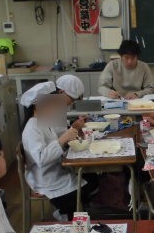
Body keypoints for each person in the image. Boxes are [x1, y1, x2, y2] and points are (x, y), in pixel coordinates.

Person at [21, 82, 98, 220]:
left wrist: (69, 138)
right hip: (46, 180)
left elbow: (56, 146)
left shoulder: (44, 121)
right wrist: (62, 140)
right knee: (89, 185)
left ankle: (71, 212)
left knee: (93, 178)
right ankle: (66, 214)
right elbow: (41, 158)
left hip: (55, 172)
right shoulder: (32, 127)